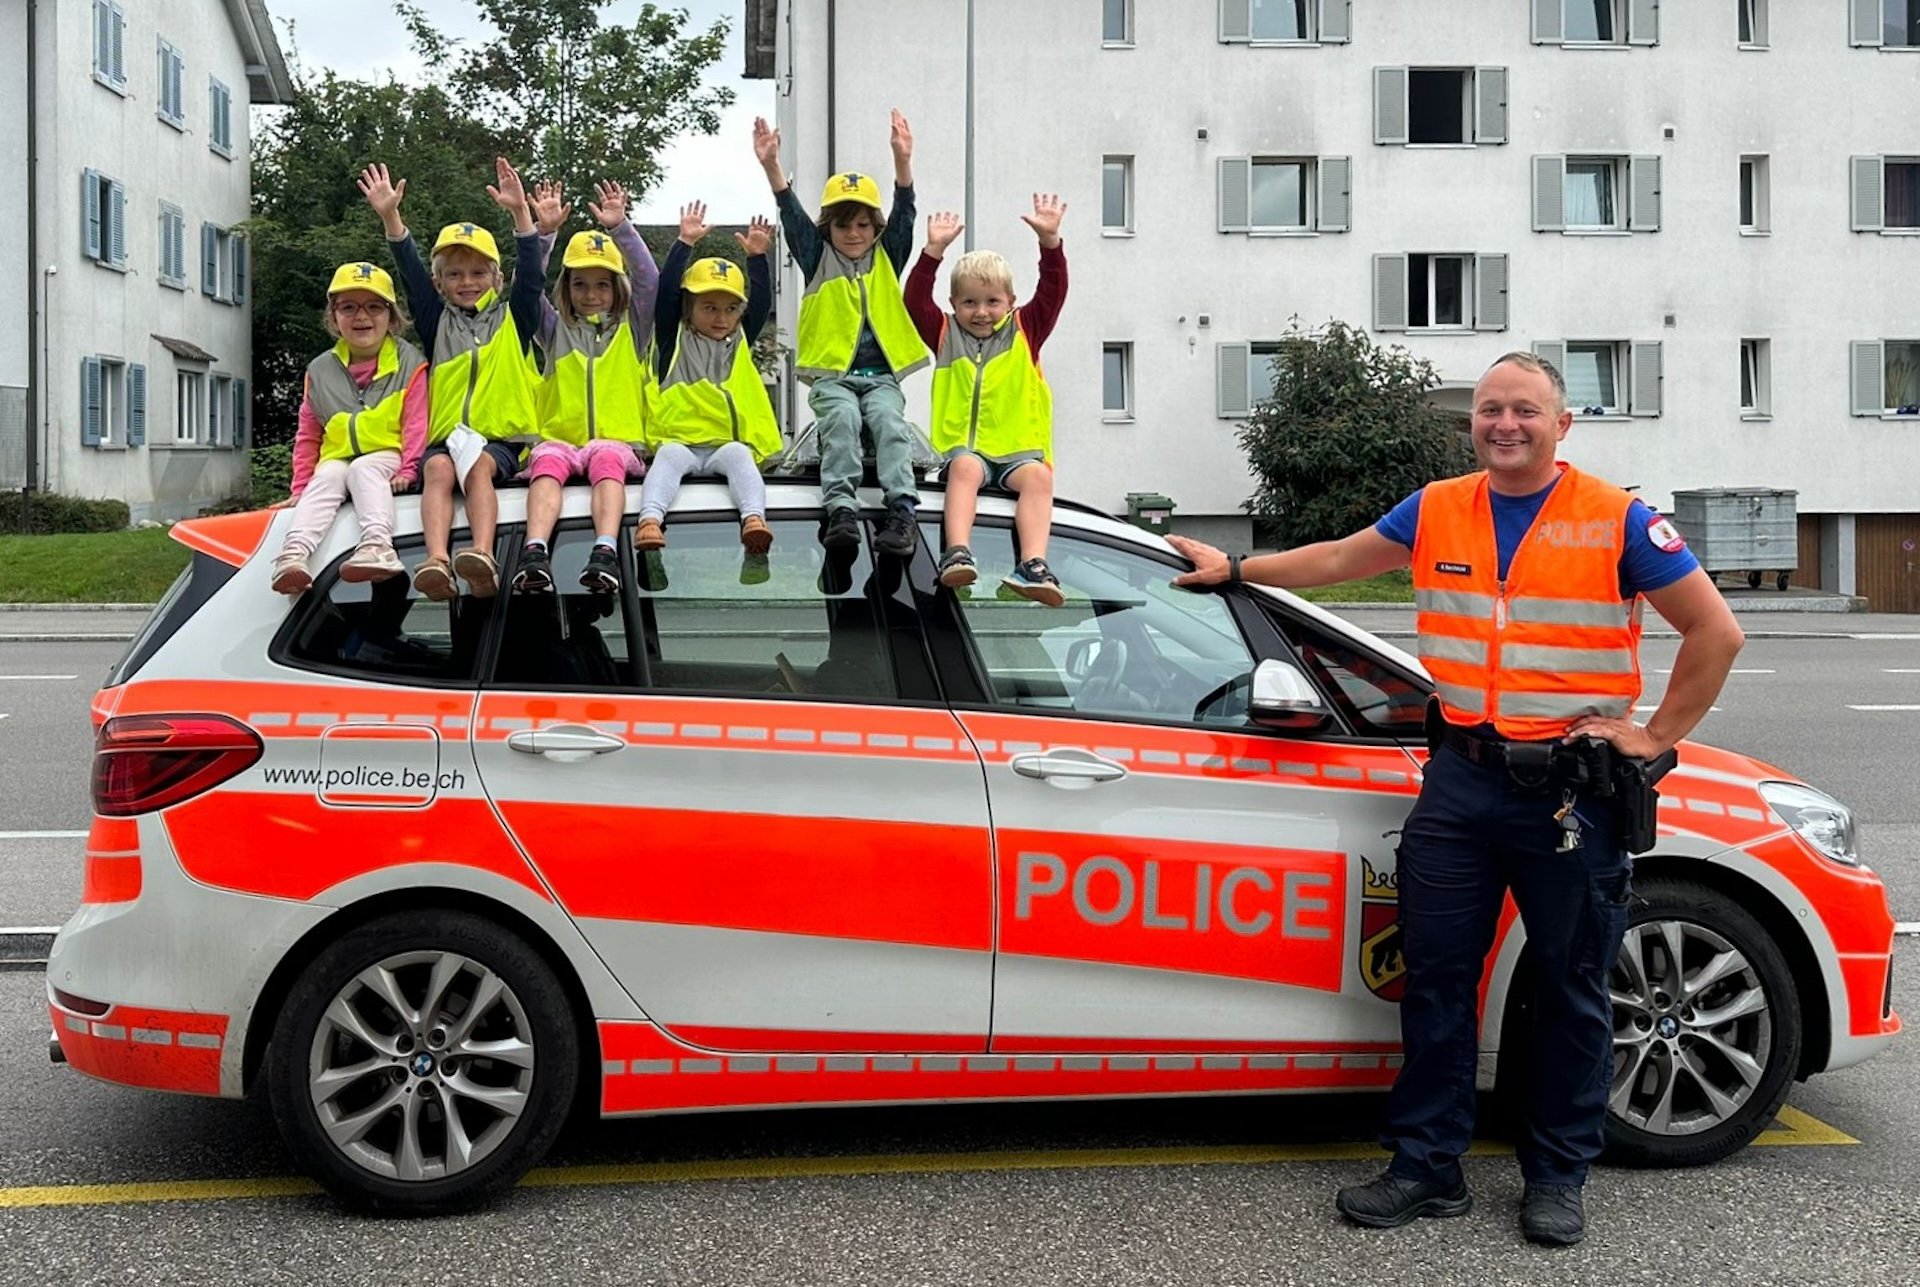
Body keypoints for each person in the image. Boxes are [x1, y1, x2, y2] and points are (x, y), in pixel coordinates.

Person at [1169, 352, 1744, 1248]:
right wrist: (1239, 568)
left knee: (1570, 987)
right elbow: (1340, 557)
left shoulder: (1618, 519)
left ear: (1563, 425)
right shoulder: (1440, 505)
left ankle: (1556, 1174)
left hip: (1569, 791)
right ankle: (1427, 1165)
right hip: (1461, 781)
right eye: (1489, 410)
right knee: (1434, 977)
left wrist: (1653, 734)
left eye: (1525, 410)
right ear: (1471, 421)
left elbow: (1716, 630)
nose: (1504, 424)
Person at [358, 158, 549, 600]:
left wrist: (522, 215)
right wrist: (391, 217)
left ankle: (481, 554)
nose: (467, 282)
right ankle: (437, 561)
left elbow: (534, 276)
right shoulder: (435, 322)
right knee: (440, 469)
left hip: (500, 439)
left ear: (497, 279)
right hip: (446, 438)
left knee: (478, 467)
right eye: (455, 274)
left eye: (479, 272)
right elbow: (409, 272)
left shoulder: (514, 319)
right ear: (440, 282)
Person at [754, 109, 930, 558]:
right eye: (842, 224)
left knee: (892, 424)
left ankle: (902, 510)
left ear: (876, 228)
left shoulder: (888, 256)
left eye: (863, 224)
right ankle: (841, 509)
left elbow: (905, 212)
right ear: (827, 227)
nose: (853, 233)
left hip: (881, 378)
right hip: (833, 377)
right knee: (843, 422)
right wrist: (773, 167)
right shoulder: (816, 256)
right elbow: (791, 215)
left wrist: (902, 163)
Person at [905, 194, 1069, 606]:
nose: (981, 312)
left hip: (1018, 451)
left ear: (1011, 303)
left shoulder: (1026, 330)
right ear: (953, 305)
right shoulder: (944, 334)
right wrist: (933, 253)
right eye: (969, 302)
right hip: (966, 451)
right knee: (964, 468)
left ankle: (1032, 564)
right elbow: (914, 300)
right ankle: (956, 552)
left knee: (1039, 479)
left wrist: (1050, 243)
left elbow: (1053, 290)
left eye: (992, 301)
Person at [512, 179, 660, 597]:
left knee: (608, 460)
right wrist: (544, 234)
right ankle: (535, 551)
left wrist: (621, 228)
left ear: (617, 288)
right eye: (579, 284)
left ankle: (605, 550)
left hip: (615, 442)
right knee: (544, 465)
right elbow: (526, 287)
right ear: (566, 289)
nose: (591, 294)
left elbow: (649, 281)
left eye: (601, 284)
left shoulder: (634, 329)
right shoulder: (554, 329)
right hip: (560, 441)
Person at [634, 202, 781, 573]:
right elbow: (666, 294)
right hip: (680, 443)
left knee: (740, 457)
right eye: (710, 307)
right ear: (689, 308)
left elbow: (760, 304)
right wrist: (683, 243)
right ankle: (650, 520)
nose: (721, 317)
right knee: (666, 461)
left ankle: (753, 521)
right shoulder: (672, 339)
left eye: (731, 309)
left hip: (722, 447)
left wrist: (759, 258)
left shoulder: (741, 343)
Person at [271, 262, 428, 596]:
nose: (362, 317)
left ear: (392, 316)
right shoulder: (321, 369)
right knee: (326, 477)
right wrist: (300, 486)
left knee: (363, 469)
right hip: (338, 456)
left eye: (374, 306)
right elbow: (308, 435)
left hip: (388, 453)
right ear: (334, 317)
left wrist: (410, 467)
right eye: (349, 307)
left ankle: (377, 545)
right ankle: (294, 553)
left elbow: (416, 422)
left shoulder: (409, 361)